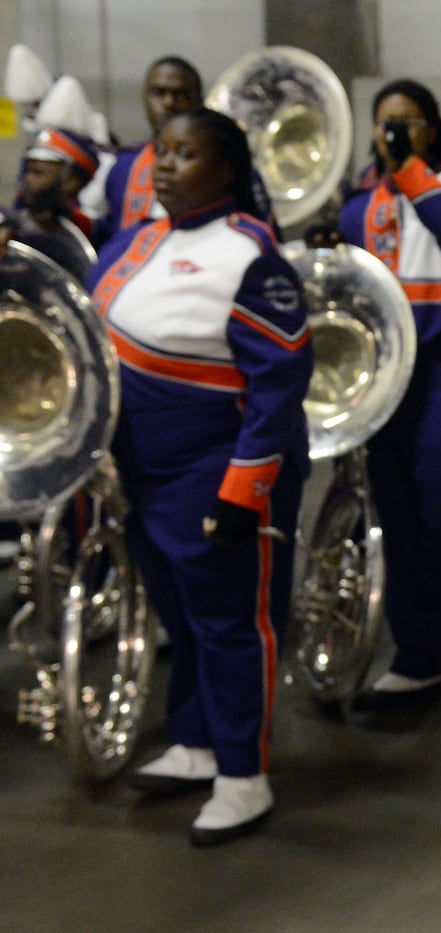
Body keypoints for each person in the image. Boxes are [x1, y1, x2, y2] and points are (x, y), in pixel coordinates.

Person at [88, 108, 313, 846]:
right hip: (143, 472)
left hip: (212, 470)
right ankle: (194, 741)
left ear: (225, 170)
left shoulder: (250, 253)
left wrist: (244, 488)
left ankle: (244, 775)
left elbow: (280, 383)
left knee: (229, 625)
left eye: (187, 154)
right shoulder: (131, 241)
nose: (165, 164)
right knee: (179, 618)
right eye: (163, 151)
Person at [339, 79, 441, 728]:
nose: (394, 133)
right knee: (396, 518)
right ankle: (417, 654)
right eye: (385, 125)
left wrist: (409, 170)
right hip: (384, 374)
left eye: (408, 123)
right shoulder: (358, 203)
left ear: (432, 129)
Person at [88, 56, 276, 247]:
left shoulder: (226, 166)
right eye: (159, 93)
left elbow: (264, 237)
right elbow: (110, 235)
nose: (169, 103)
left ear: (198, 101)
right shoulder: (123, 166)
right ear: (145, 97)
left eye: (181, 94)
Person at [6, 126, 99, 283]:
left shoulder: (92, 229)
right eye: (28, 171)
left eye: (38, 173)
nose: (28, 179)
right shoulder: (9, 221)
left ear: (70, 182)